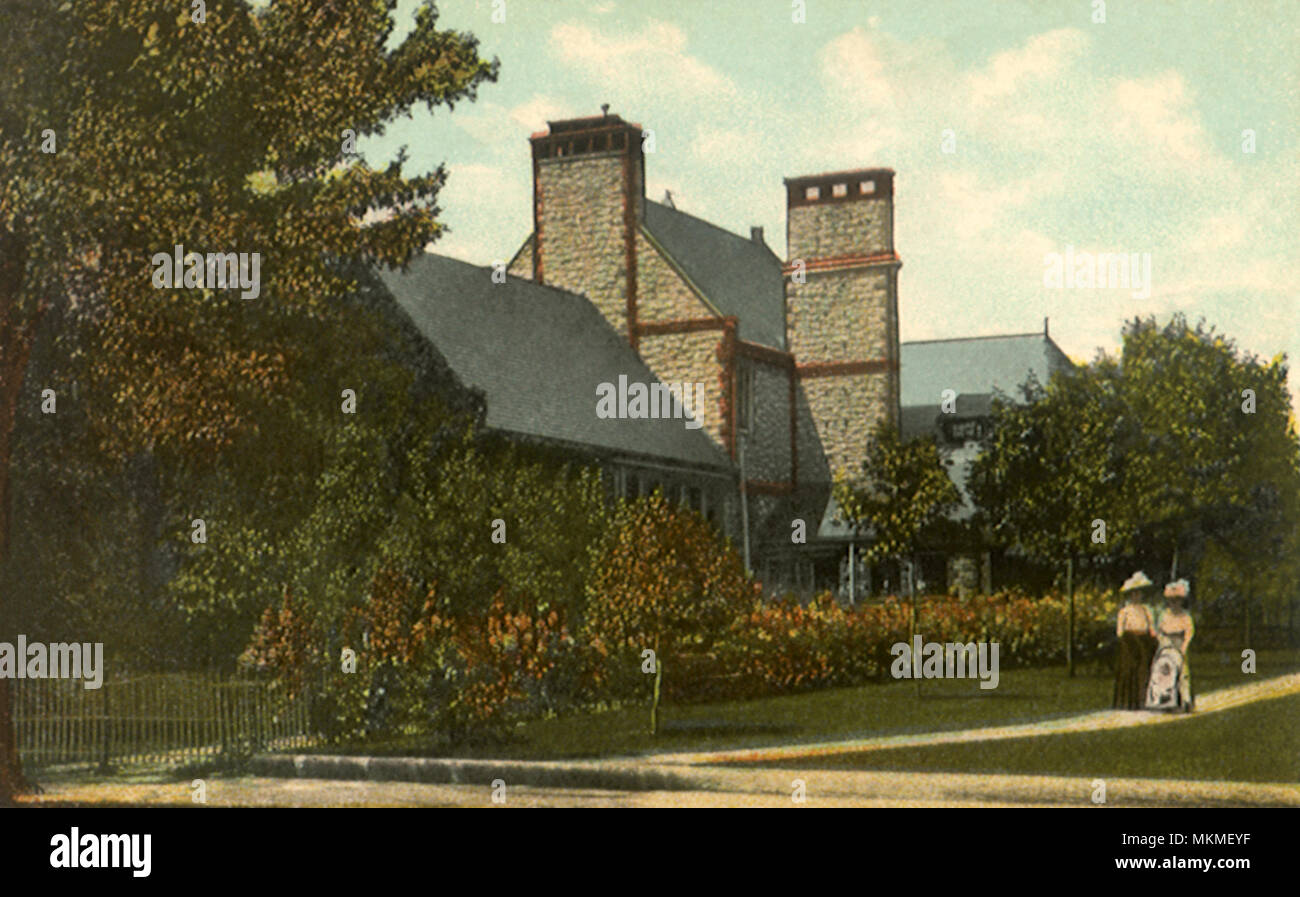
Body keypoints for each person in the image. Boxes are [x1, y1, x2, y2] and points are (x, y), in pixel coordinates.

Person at [1113, 571, 1157, 709]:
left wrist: (1154, 637)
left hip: (1144, 640)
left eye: (1139, 593)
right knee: (1130, 670)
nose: (1136, 596)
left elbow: (1151, 627)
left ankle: (1143, 699)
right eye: (1134, 593)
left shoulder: (1146, 610)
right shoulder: (1125, 611)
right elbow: (1120, 630)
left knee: (1145, 668)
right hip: (1129, 642)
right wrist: (1126, 641)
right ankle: (1128, 701)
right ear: (1130, 595)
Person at [1150, 579, 1195, 712]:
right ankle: (1165, 701)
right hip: (1166, 643)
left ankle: (1185, 701)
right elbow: (1159, 631)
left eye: (1177, 600)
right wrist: (1162, 642)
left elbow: (1189, 632)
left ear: (1182, 601)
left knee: (1182, 673)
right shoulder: (1164, 615)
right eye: (1171, 601)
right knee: (1164, 671)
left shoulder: (1185, 616)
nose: (1174, 604)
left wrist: (1184, 646)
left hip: (1179, 642)